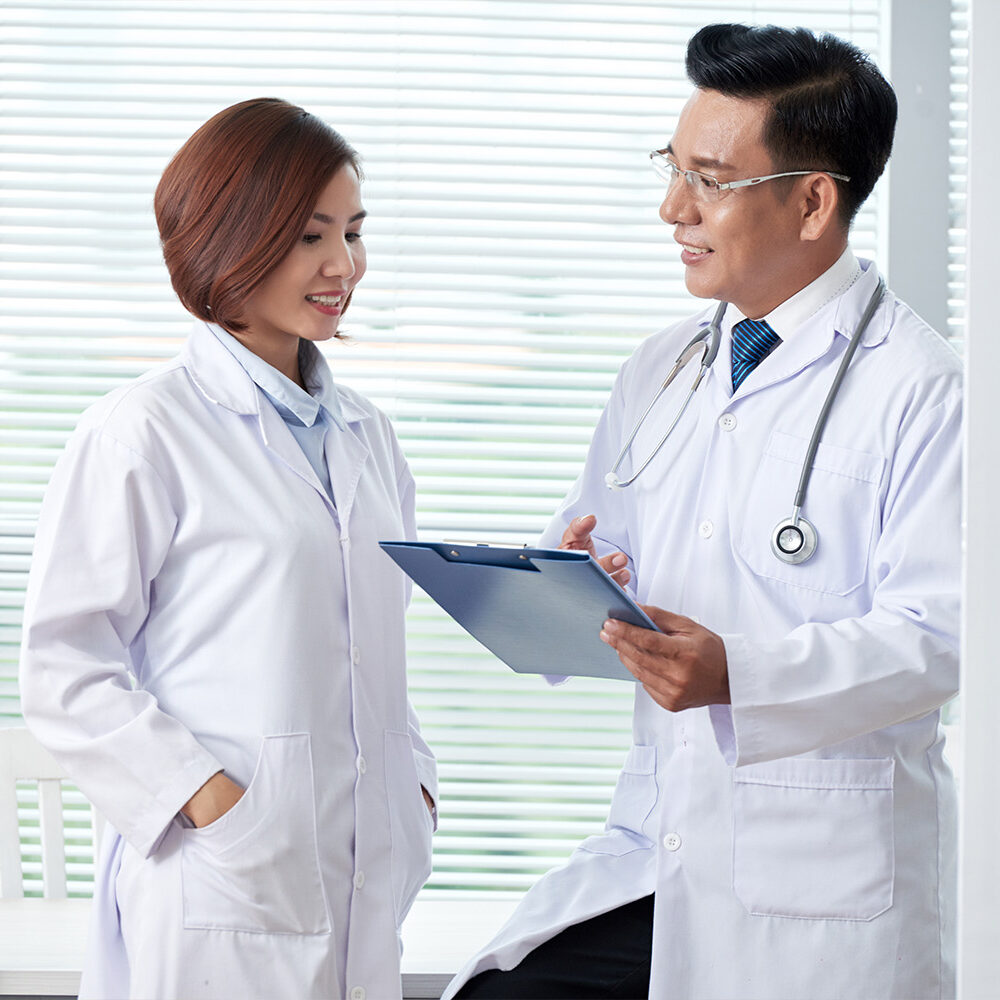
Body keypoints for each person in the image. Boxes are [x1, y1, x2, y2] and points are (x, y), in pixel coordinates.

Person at [446, 22, 960, 1000]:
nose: (671, 208)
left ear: (813, 201)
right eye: (672, 168)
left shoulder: (922, 389)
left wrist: (740, 673)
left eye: (710, 180)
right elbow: (600, 549)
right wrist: (576, 588)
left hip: (816, 881)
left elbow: (940, 637)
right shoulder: (662, 369)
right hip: (661, 845)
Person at [18, 98, 437, 1000]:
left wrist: (414, 792)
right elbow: (65, 667)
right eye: (309, 236)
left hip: (361, 864)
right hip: (220, 878)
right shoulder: (143, 430)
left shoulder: (368, 435)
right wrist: (207, 798)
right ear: (232, 240)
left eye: (354, 233)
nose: (343, 266)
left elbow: (374, 652)